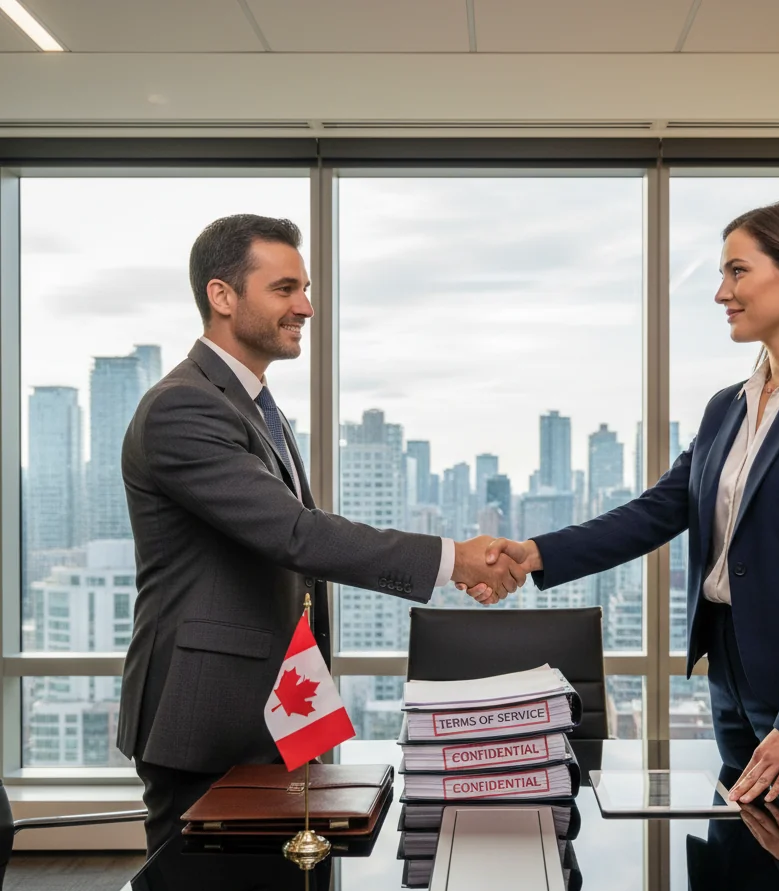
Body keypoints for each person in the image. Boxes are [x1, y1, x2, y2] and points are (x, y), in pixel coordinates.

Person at [469, 200, 779, 886]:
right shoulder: (729, 405)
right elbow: (659, 511)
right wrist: (535, 555)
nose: (721, 292)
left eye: (738, 271)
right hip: (733, 676)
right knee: (743, 880)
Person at [119, 213, 526, 856]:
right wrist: (455, 559)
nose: (306, 307)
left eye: (305, 290)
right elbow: (296, 535)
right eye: (285, 290)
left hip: (278, 707)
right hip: (207, 716)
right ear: (222, 296)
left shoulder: (256, 406)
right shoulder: (183, 406)